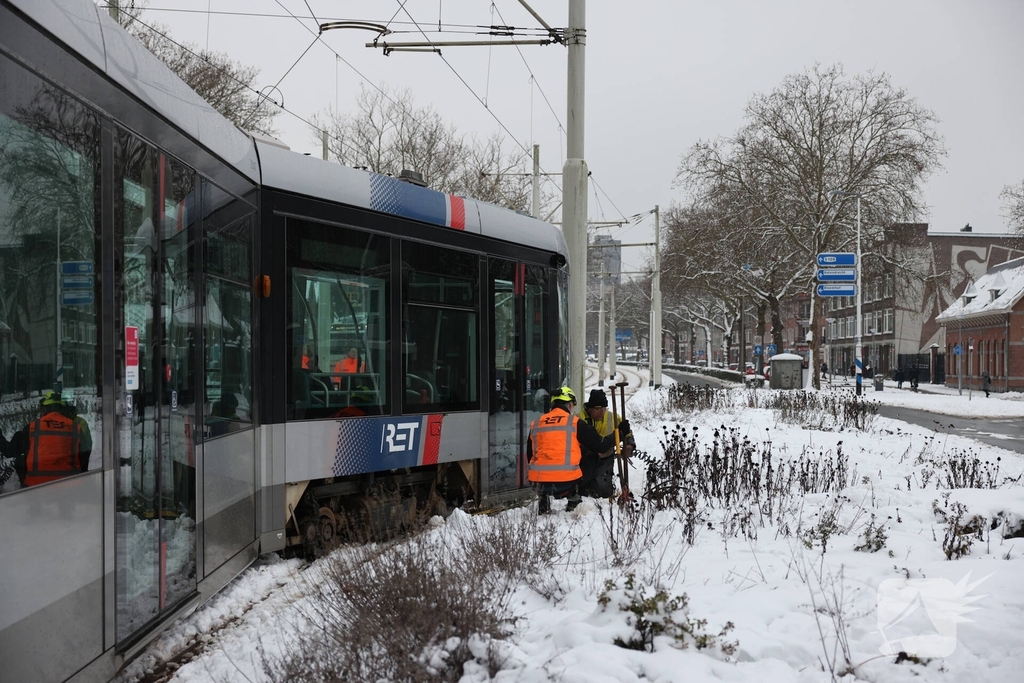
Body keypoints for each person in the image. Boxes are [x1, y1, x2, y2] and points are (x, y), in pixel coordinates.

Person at [527, 386, 628, 514]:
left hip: (538, 483)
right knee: (586, 458)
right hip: (565, 484)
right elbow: (601, 445)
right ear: (569, 405)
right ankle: (573, 499)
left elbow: (530, 454)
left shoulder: (536, 423)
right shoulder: (575, 422)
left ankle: (543, 501)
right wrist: (620, 433)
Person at [10, 390, 92, 487]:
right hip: (70, 485)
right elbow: (85, 454)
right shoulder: (75, 427)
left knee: (20, 461)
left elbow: (10, 451)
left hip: (35, 488)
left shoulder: (33, 427)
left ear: (44, 409)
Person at [578, 388, 634, 498]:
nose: (602, 412)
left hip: (605, 458)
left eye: (604, 408)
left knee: (601, 490)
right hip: (584, 458)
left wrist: (629, 445)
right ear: (590, 408)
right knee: (583, 488)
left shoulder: (612, 418)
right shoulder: (580, 419)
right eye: (598, 408)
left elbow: (627, 432)